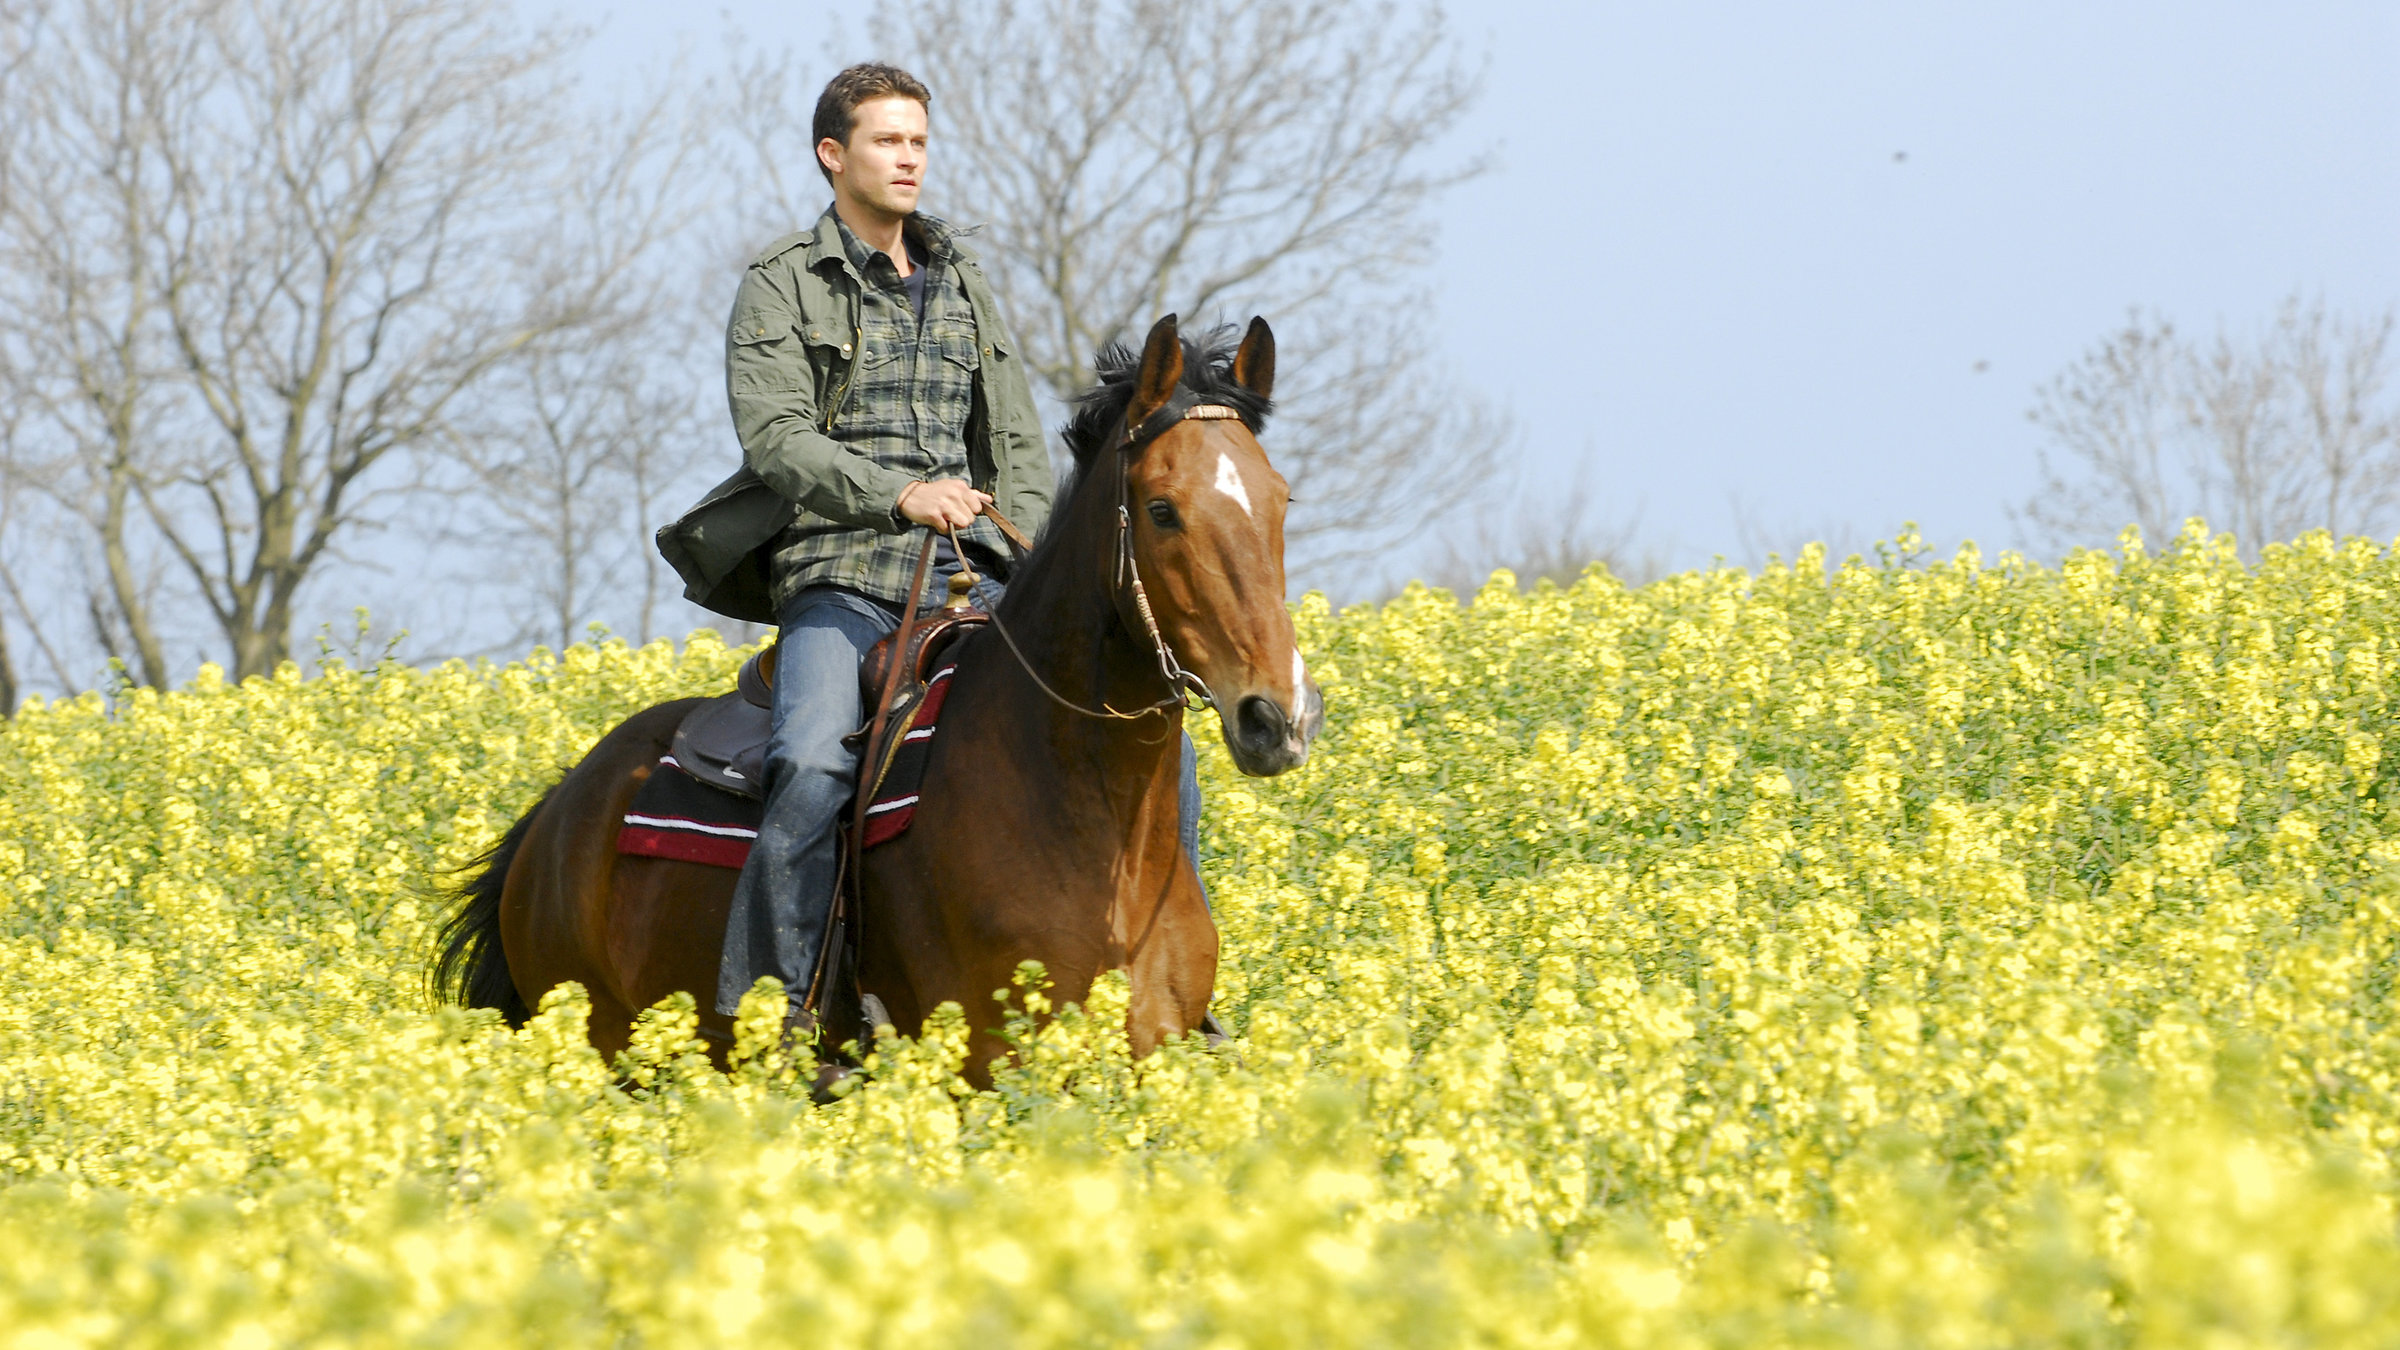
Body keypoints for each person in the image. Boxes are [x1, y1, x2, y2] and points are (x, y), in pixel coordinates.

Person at [657, 63, 1205, 1036]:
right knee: (814, 764)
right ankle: (780, 1009)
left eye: (919, 142)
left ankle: (1177, 988)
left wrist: (1032, 550)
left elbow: (1018, 447)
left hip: (972, 580)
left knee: (1156, 734)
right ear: (835, 156)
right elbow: (777, 439)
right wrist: (900, 494)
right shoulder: (781, 283)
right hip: (839, 577)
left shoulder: (964, 283)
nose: (909, 158)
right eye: (886, 141)